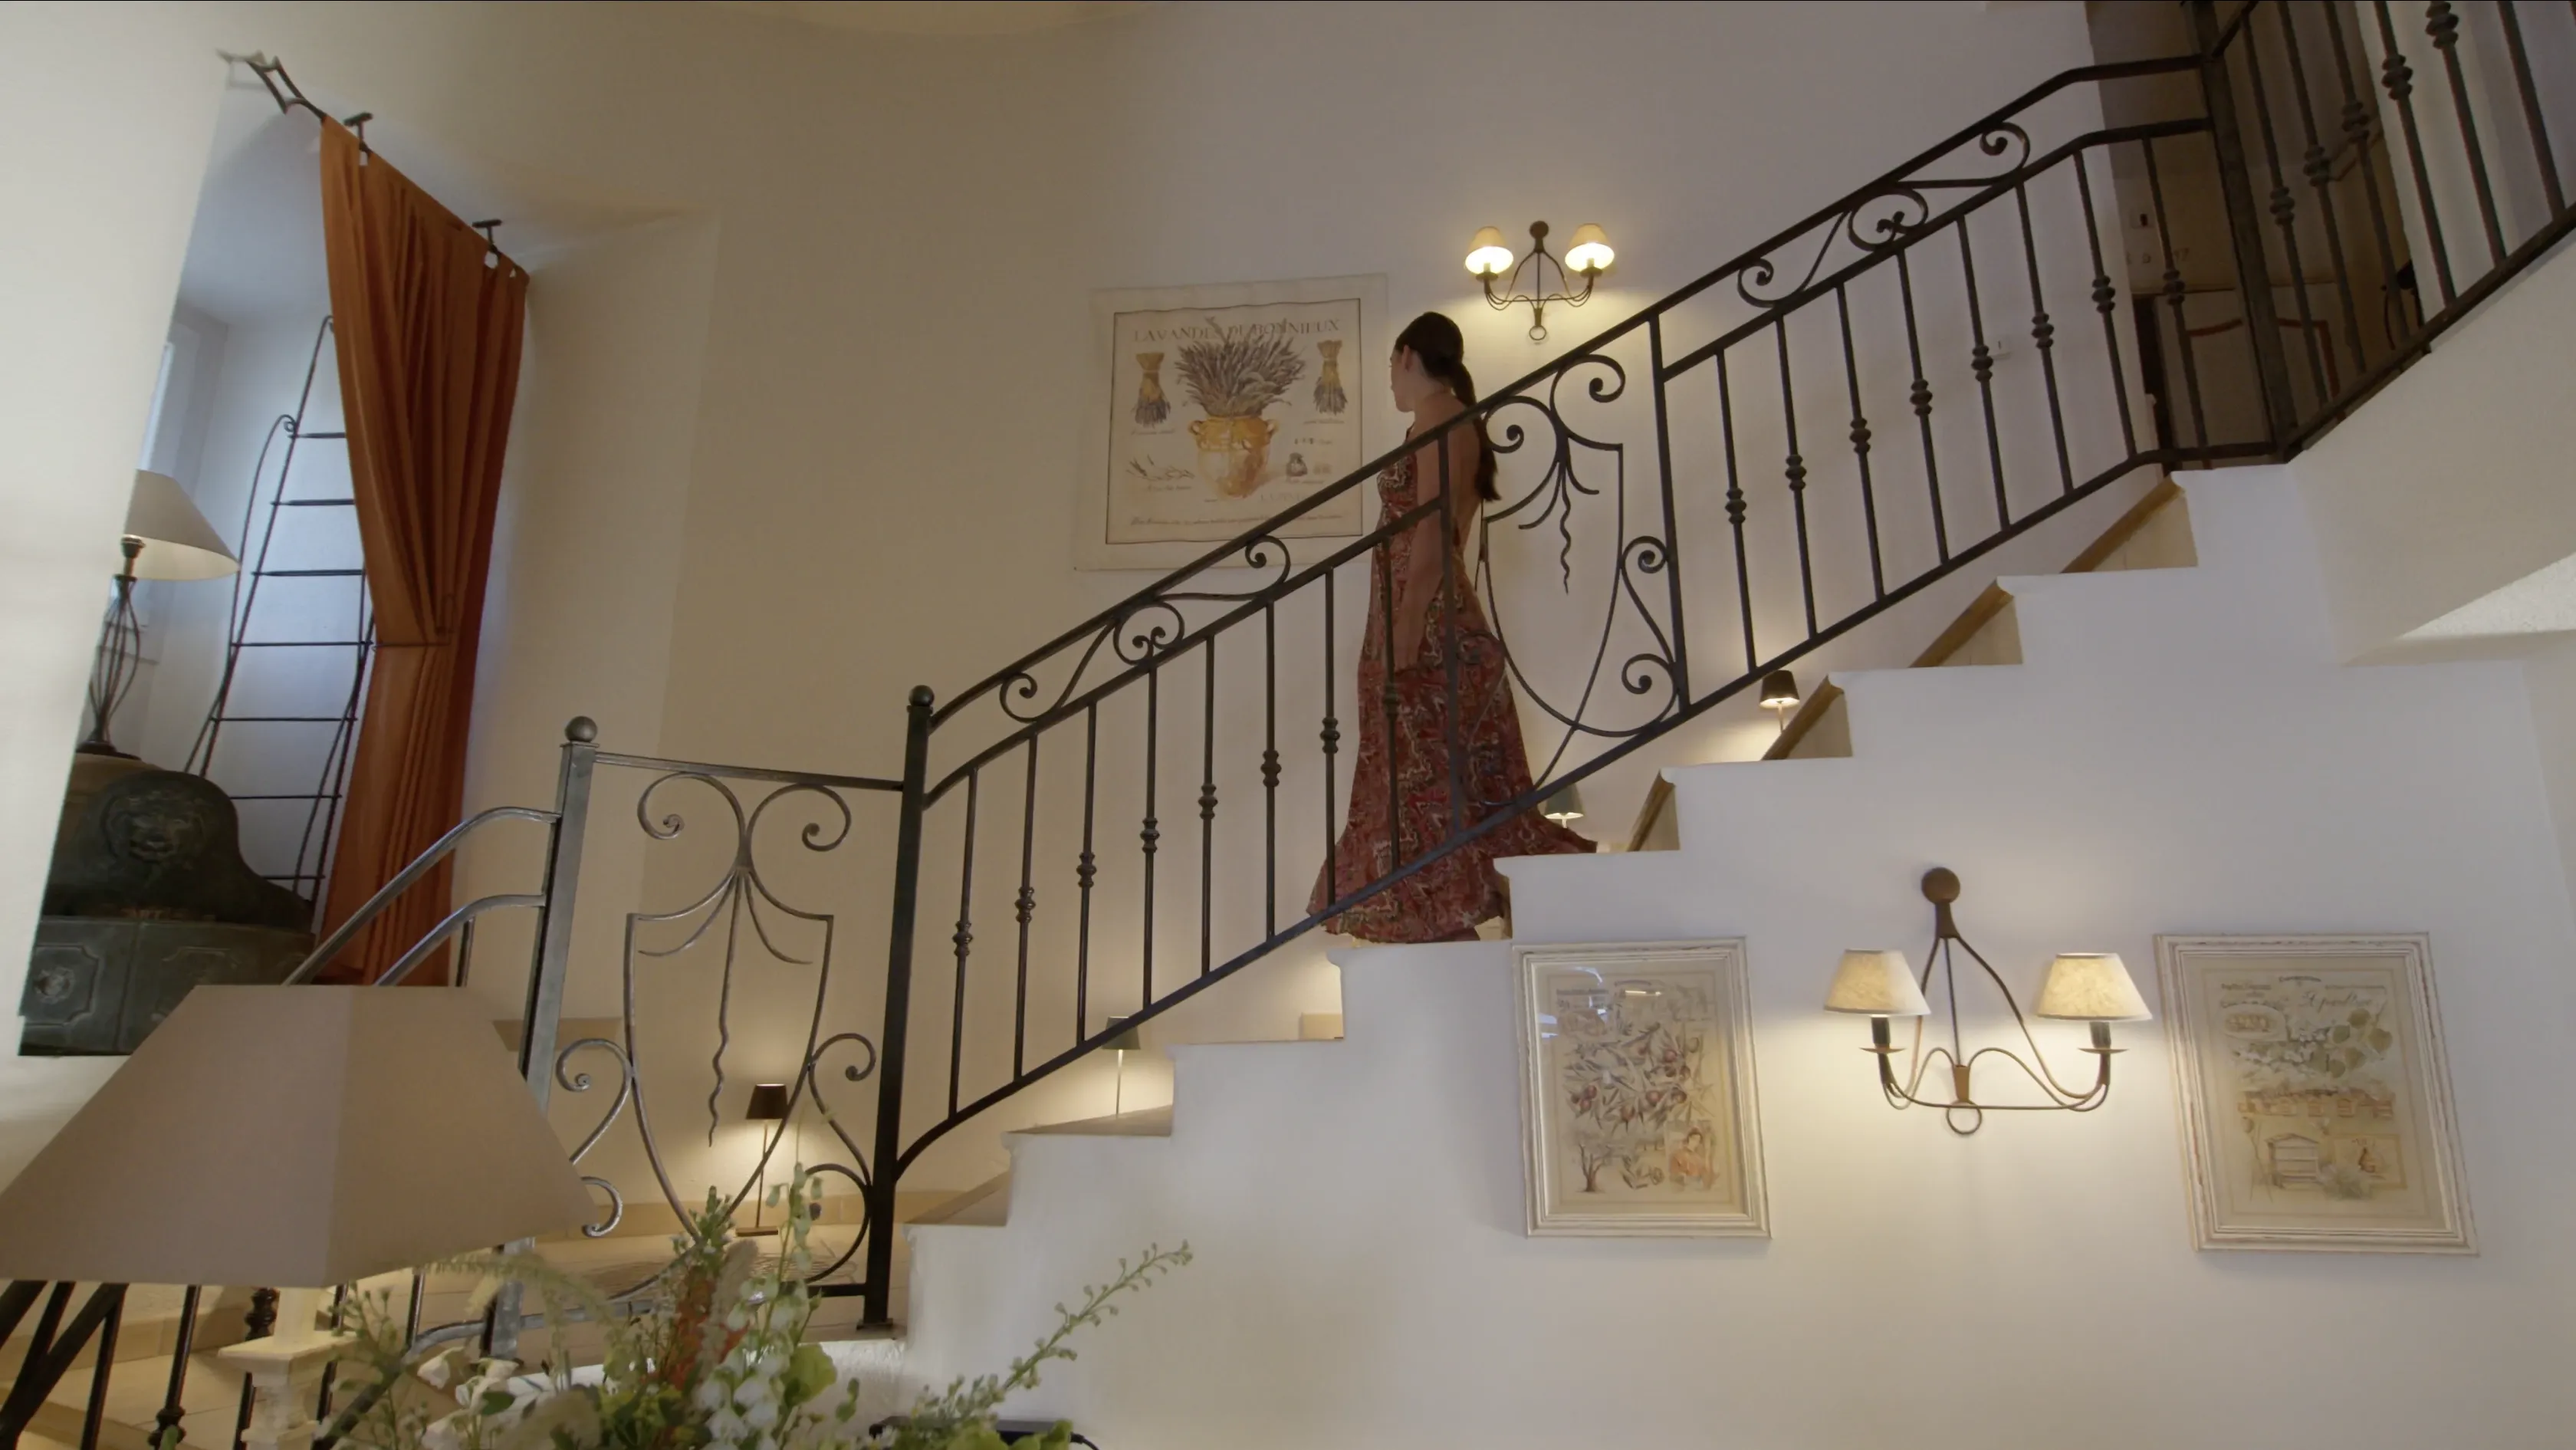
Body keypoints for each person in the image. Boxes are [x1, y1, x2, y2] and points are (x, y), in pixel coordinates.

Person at [1309, 312, 1593, 942]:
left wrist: (1405, 629)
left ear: (1406, 354)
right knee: (1426, 767)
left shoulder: (1442, 418)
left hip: (1423, 613)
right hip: (1418, 606)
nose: (1389, 380)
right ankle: (1438, 915)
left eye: (1390, 365)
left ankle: (1438, 917)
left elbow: (1437, 533)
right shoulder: (1450, 419)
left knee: (1421, 764)